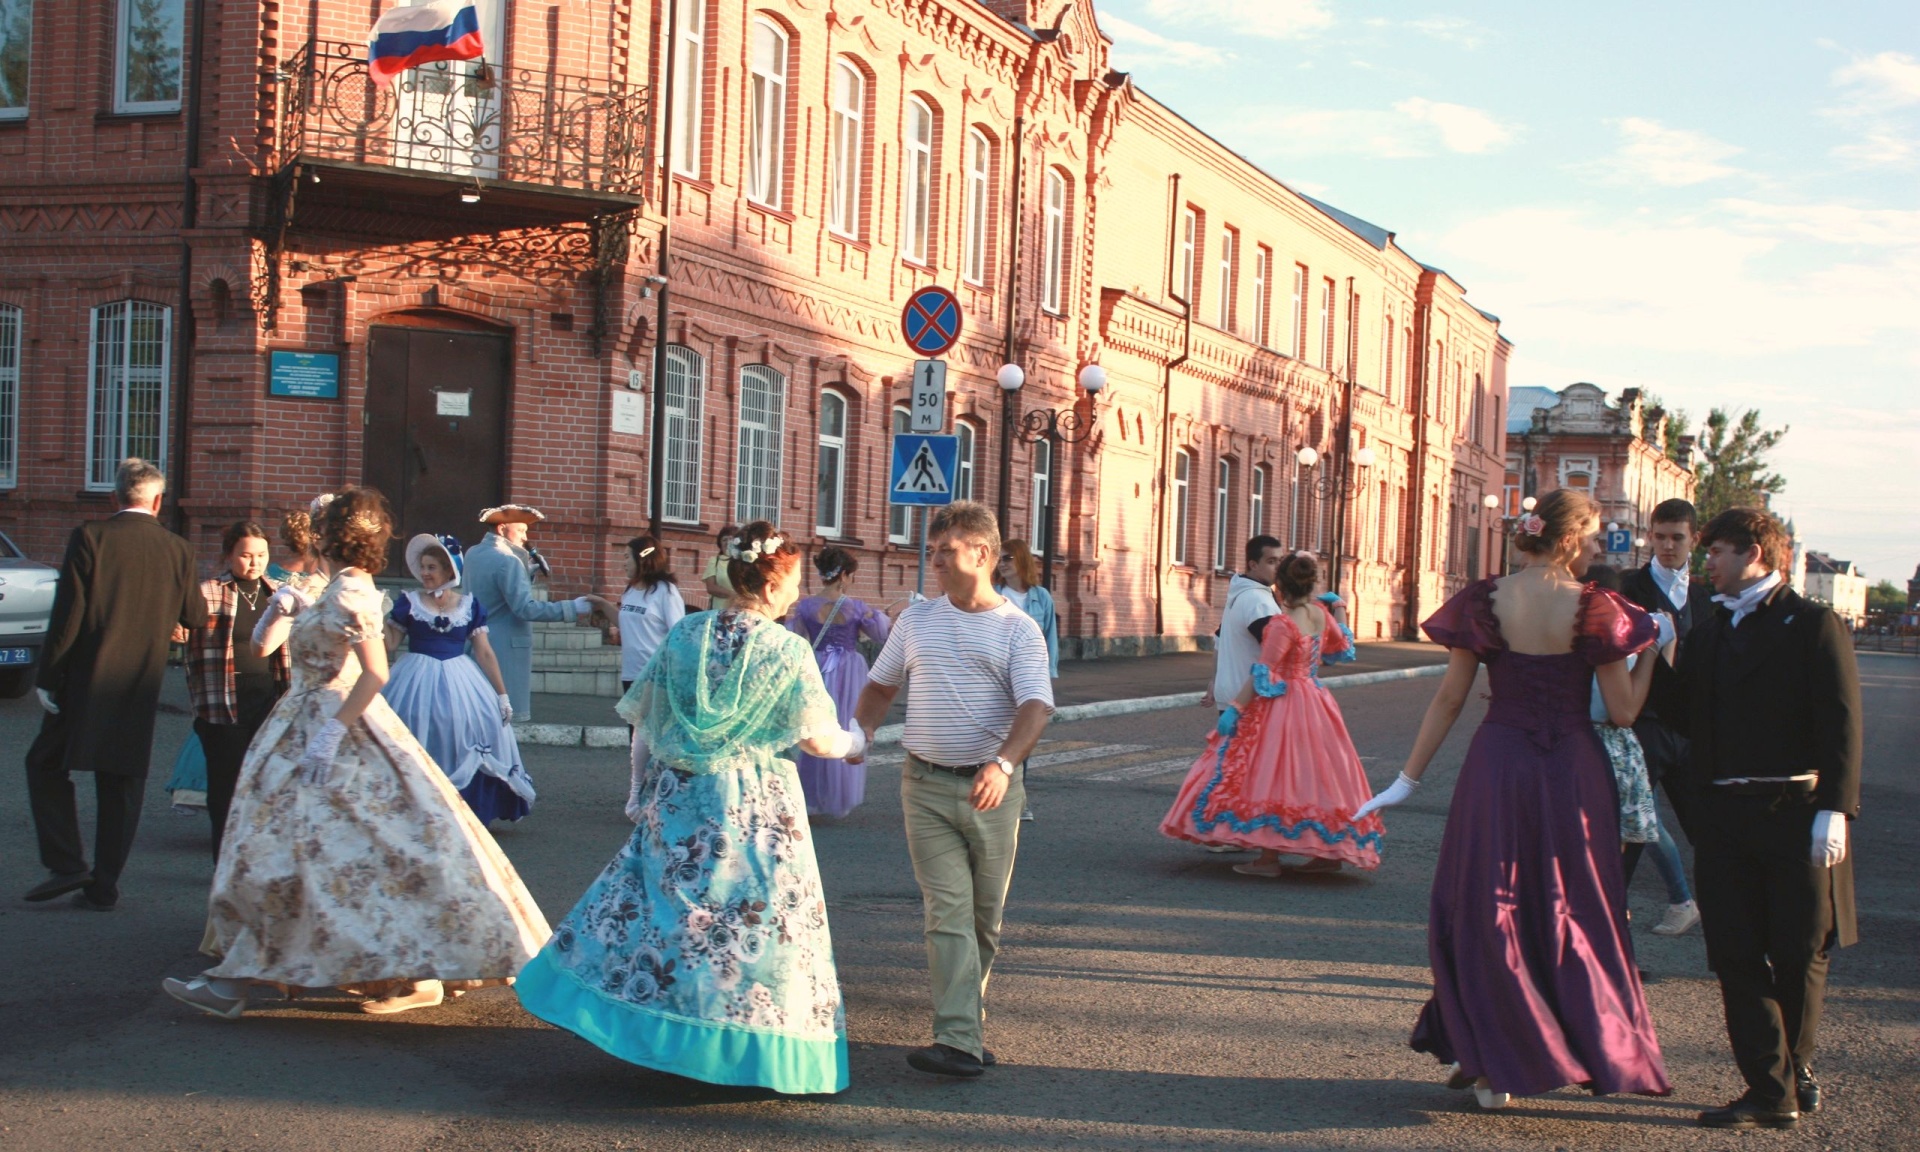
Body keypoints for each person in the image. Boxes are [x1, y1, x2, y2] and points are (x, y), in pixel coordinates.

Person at [163, 487, 549, 1020]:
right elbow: (261, 649)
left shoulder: (354, 593)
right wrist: (284, 610)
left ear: (337, 536)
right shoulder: (333, 587)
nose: (315, 532)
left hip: (335, 727)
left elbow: (376, 672)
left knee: (316, 850)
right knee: (320, 851)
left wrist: (330, 734)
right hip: (300, 721)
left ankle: (245, 980)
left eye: (323, 526)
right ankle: (272, 973)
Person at [514, 522, 867, 1095]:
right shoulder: (787, 648)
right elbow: (821, 741)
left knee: (670, 912)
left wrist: (637, 790)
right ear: (772, 584)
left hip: (678, 795)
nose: (798, 596)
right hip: (753, 806)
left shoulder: (684, 635)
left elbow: (645, 724)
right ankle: (741, 1046)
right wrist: (858, 745)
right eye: (793, 583)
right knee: (746, 923)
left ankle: (658, 1030)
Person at [1357, 489, 1673, 1109]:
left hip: (1498, 762)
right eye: (1593, 535)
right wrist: (1653, 649)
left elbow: (1450, 698)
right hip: (1571, 772)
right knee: (1570, 907)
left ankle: (1490, 1057)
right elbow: (1624, 711)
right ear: (1569, 537)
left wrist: (1407, 779)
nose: (1597, 546)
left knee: (1486, 903)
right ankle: (1553, 1047)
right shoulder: (1597, 606)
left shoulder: (1484, 599)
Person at [1671, 508, 1861, 1130]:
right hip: (1723, 815)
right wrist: (1645, 649)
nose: (1707, 564)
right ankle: (1770, 1086)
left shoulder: (1811, 624)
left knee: (1800, 949)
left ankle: (1789, 1074)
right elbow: (1676, 713)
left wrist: (1836, 808)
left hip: (1796, 810)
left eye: (1718, 552)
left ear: (1753, 552)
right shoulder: (1706, 633)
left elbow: (1841, 722)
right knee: (1734, 953)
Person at [852, 501, 1055, 1079]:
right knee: (947, 913)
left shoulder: (1019, 629)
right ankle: (959, 1038)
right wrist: (860, 732)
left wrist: (1004, 764)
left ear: (984, 555)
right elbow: (880, 686)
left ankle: (966, 1021)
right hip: (924, 784)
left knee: (983, 921)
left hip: (990, 789)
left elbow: (1037, 707)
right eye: (933, 550)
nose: (934, 561)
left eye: (947, 551)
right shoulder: (917, 621)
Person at [24, 458, 207, 911]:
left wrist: (48, 677)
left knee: (44, 764)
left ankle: (67, 861)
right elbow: (195, 616)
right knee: (121, 781)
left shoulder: (90, 537)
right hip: (140, 682)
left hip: (85, 680)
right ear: (159, 501)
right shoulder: (177, 548)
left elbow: (69, 613)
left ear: (115, 497)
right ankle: (104, 885)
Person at [1161, 551, 1381, 875]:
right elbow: (1342, 651)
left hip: (1284, 701)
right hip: (1317, 702)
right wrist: (1340, 608)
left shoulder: (1283, 623)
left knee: (1272, 774)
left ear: (1280, 588)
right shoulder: (1320, 614)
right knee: (1319, 774)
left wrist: (1235, 709)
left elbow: (1263, 672)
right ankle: (1328, 854)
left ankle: (1268, 859)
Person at [383, 534, 535, 825]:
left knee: (470, 727)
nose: (425, 573)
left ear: (448, 571)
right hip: (415, 677)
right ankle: (414, 805)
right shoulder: (409, 603)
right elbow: (389, 644)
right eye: (424, 567)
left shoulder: (469, 606)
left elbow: (485, 653)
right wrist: (376, 619)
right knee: (414, 727)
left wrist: (502, 695)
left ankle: (466, 808)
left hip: (460, 677)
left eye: (432, 568)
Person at [1619, 498, 1715, 937]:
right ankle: (1611, 916)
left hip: (1694, 730)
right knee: (1631, 822)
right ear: (1650, 535)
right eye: (1660, 536)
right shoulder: (1627, 588)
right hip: (1645, 724)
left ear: (1694, 539)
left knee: (1708, 827)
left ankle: (1722, 915)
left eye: (1677, 537)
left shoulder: (1709, 595)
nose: (1667, 546)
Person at [183, 521, 292, 861]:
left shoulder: (278, 594)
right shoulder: (208, 592)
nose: (254, 562)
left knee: (266, 787)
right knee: (225, 792)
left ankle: (255, 865)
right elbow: (177, 632)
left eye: (261, 554)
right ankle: (223, 865)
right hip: (222, 703)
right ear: (229, 555)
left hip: (268, 700)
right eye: (245, 555)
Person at [464, 504, 605, 722]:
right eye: (520, 530)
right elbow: (525, 607)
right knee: (500, 719)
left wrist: (525, 573)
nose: (525, 537)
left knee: (478, 713)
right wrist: (572, 608)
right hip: (504, 648)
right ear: (502, 529)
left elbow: (495, 593)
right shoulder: (508, 560)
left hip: (477, 643)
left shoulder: (474, 553)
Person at [788, 546, 890, 819]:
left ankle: (812, 794)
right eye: (851, 575)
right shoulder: (856, 607)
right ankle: (839, 796)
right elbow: (880, 634)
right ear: (844, 575)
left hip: (817, 666)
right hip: (848, 669)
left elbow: (795, 638)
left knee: (813, 725)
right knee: (845, 725)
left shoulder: (806, 606)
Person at [1582, 565, 1666, 850]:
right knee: (1610, 844)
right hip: (1610, 747)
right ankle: (1679, 893)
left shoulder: (1563, 633)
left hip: (1572, 738)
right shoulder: (1615, 643)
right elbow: (1625, 712)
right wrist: (1653, 649)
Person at [993, 539, 1057, 823]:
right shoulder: (992, 593)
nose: (1002, 563)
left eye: (1007, 558)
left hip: (1028, 678)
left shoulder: (1040, 597)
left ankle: (1018, 800)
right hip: (994, 677)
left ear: (1021, 560)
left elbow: (1050, 640)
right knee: (993, 735)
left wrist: (1047, 680)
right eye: (999, 558)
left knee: (1023, 738)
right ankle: (991, 794)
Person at [1203, 536, 1284, 712]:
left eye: (1280, 561)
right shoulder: (1258, 602)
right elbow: (1278, 654)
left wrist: (1215, 680)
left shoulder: (1239, 593)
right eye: (1271, 561)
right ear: (1253, 564)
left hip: (1231, 696)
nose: (1278, 568)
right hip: (1250, 700)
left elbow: (1219, 639)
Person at [612, 534, 686, 697]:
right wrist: (600, 604)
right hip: (630, 672)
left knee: (647, 723)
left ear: (642, 559)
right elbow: (624, 622)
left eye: (627, 557)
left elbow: (678, 633)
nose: (624, 563)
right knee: (633, 723)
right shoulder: (630, 590)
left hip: (655, 675)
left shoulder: (665, 591)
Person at [697, 525, 738, 610]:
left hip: (740, 609)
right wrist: (733, 595)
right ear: (720, 544)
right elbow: (711, 587)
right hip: (719, 610)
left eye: (731, 539)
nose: (727, 543)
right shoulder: (714, 561)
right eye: (724, 540)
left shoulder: (743, 561)